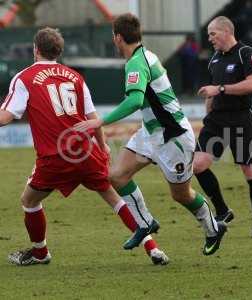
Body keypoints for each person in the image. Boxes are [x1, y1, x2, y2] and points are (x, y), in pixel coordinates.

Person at [0, 27, 168, 266]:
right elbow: (93, 116)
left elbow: (6, 117)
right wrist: (103, 146)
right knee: (115, 199)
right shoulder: (75, 76)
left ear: (36, 49)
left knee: (29, 201)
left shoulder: (25, 78)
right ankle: (153, 248)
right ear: (58, 50)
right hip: (85, 151)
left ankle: (40, 253)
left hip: (55, 157)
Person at [74, 13, 226, 256]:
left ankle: (212, 228)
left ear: (119, 37)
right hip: (151, 132)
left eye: (114, 36)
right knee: (117, 176)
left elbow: (135, 100)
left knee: (181, 194)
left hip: (173, 137)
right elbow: (142, 99)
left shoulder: (137, 62)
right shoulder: (146, 55)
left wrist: (99, 121)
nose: (114, 40)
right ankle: (145, 223)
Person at [193, 16, 252, 238]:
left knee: (250, 171)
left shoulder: (246, 53)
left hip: (242, 118)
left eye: (212, 34)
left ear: (226, 31)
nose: (210, 39)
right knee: (197, 165)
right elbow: (211, 90)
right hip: (216, 119)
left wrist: (221, 90)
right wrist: (208, 112)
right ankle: (223, 211)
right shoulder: (214, 59)